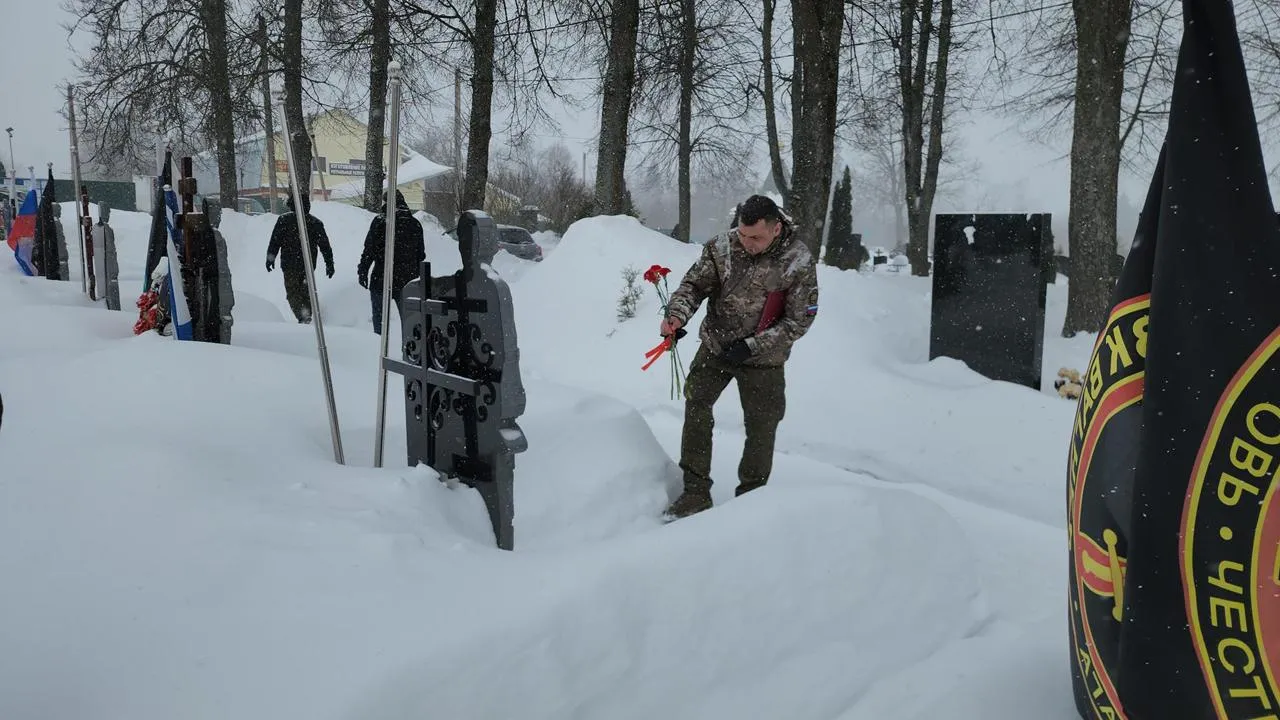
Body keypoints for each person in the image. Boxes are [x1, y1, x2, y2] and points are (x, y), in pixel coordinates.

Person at [660, 194, 820, 519]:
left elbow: (800, 319)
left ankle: (751, 501)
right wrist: (676, 316)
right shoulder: (722, 247)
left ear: (776, 229)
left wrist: (753, 346)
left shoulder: (798, 261)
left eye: (756, 238)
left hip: (764, 360)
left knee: (761, 427)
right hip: (716, 346)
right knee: (697, 408)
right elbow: (693, 285)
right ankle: (695, 493)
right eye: (743, 235)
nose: (747, 243)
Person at [357, 189, 425, 334]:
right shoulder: (415, 224)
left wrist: (363, 271)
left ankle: (380, 347)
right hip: (408, 280)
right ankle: (409, 350)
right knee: (410, 320)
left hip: (382, 277)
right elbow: (421, 255)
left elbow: (369, 250)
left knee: (379, 319)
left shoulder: (380, 222)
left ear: (387, 203)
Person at [266, 194, 334, 323]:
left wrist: (270, 258)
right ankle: (305, 313)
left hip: (289, 264)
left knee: (293, 291)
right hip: (308, 264)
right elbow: (325, 245)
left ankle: (303, 315)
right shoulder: (315, 223)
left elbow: (275, 241)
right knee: (305, 290)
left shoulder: (284, 220)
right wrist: (329, 263)